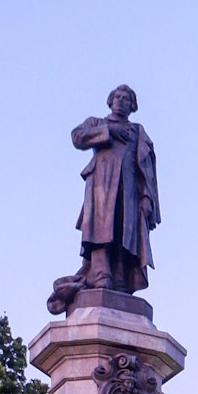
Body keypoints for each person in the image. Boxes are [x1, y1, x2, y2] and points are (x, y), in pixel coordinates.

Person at [48, 85, 160, 313]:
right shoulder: (97, 123)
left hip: (129, 190)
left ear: (133, 106)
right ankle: (101, 276)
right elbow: (77, 137)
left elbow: (147, 171)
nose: (121, 101)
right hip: (101, 186)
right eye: (117, 97)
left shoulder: (138, 132)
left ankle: (120, 278)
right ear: (110, 101)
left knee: (124, 234)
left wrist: (147, 198)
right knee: (100, 231)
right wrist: (108, 132)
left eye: (126, 98)